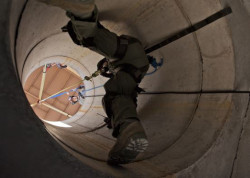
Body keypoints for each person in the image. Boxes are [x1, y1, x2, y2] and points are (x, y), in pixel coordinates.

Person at [38, 0, 149, 165]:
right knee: (117, 92)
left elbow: (100, 41)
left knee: (117, 90)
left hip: (131, 58)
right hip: (129, 57)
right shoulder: (118, 65)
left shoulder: (116, 61)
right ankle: (128, 127)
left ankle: (129, 127)